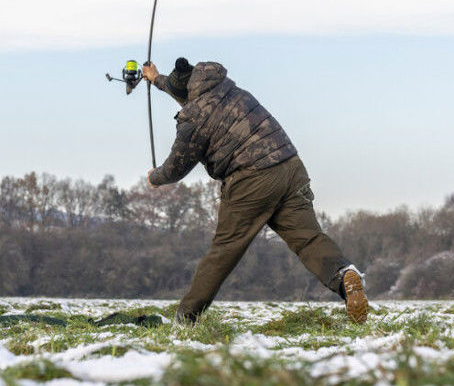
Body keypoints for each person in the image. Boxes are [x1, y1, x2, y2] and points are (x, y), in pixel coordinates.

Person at [142, 57, 368, 325]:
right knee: (307, 238)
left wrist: (155, 178)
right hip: (290, 167)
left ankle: (185, 319)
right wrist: (156, 79)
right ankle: (344, 276)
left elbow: (176, 167)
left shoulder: (193, 119)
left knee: (224, 250)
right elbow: (180, 89)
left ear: (189, 92)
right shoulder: (226, 88)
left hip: (251, 178)